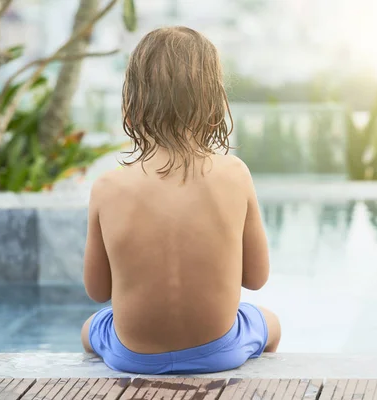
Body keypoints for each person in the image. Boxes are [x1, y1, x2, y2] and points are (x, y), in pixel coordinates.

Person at [80, 26, 280, 374]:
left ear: (133, 101)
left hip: (133, 357)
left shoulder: (107, 187)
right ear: (212, 101)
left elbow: (97, 290)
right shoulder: (235, 174)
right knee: (269, 322)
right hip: (220, 351)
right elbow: (257, 278)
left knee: (90, 328)